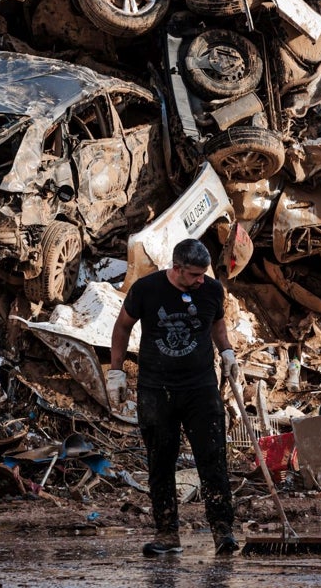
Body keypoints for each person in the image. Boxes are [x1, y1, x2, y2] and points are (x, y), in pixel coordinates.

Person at [107, 238, 239, 557]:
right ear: (176, 268)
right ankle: (167, 533)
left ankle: (223, 532)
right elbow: (122, 327)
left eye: (203, 274)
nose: (199, 280)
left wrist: (228, 352)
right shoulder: (146, 289)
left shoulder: (210, 290)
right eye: (194, 274)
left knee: (213, 459)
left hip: (200, 388)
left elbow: (217, 324)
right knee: (161, 463)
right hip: (156, 389)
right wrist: (116, 371)